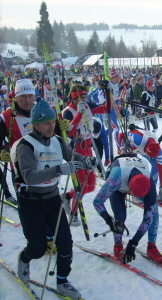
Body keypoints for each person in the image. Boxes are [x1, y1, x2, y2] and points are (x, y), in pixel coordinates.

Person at [12, 99, 97, 300]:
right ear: (35, 124)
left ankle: (62, 281)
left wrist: (86, 161)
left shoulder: (58, 141)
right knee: (38, 248)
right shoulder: (26, 145)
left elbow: (71, 155)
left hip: (52, 199)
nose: (51, 126)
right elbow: (29, 177)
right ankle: (24, 259)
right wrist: (59, 169)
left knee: (65, 243)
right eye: (45, 123)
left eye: (52, 122)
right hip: (31, 201)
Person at [93, 155, 162, 265]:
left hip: (135, 177)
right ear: (128, 186)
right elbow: (97, 201)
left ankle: (152, 246)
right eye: (132, 193)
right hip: (119, 174)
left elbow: (148, 219)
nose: (131, 196)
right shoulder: (115, 179)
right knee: (120, 217)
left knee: (153, 212)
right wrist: (109, 220)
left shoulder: (149, 187)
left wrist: (133, 243)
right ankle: (118, 244)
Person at [62, 84, 107, 225]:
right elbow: (68, 132)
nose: (85, 100)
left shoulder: (87, 105)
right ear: (74, 98)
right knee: (81, 187)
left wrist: (110, 97)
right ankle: (74, 213)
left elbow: (105, 108)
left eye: (86, 97)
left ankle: (67, 196)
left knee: (91, 186)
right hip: (76, 150)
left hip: (88, 147)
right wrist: (79, 114)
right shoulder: (67, 112)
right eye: (82, 97)